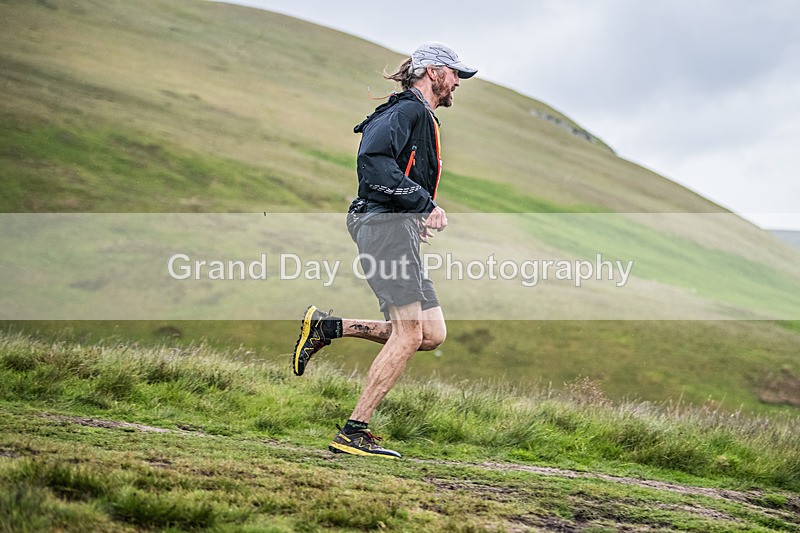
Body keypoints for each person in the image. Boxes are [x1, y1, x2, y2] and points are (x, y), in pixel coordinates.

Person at [292, 42, 477, 458]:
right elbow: (374, 163)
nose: (458, 83)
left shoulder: (419, 114)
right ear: (433, 72)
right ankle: (353, 431)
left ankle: (328, 327)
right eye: (454, 74)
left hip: (394, 227)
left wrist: (413, 216)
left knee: (431, 334)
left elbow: (393, 173)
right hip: (383, 227)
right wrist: (422, 204)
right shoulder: (407, 110)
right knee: (409, 333)